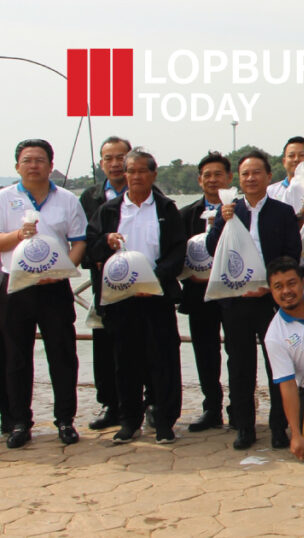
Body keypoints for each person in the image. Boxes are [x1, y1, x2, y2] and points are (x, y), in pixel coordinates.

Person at [87, 149, 186, 444]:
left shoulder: (166, 208)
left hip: (156, 295)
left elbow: (178, 250)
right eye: (131, 171)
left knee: (163, 360)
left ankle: (165, 421)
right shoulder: (109, 210)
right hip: (121, 299)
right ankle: (129, 420)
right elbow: (91, 247)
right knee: (125, 362)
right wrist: (106, 241)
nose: (136, 176)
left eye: (142, 170)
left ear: (153, 174)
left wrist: (156, 276)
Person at [206, 150, 302, 450]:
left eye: (256, 172)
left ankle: (278, 427)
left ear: (268, 177)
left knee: (278, 366)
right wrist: (221, 223)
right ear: (238, 179)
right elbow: (212, 250)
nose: (251, 178)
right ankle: (244, 426)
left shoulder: (282, 212)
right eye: (245, 174)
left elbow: (292, 254)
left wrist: (271, 287)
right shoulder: (229, 210)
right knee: (239, 365)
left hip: (270, 300)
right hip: (236, 300)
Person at [0, 139, 87, 448]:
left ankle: (65, 420)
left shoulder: (67, 199)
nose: (33, 165)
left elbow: (79, 241)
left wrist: (64, 270)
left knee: (62, 355)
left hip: (55, 288)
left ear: (51, 165)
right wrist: (17, 235)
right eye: (27, 160)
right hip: (15, 287)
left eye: (40, 160)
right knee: (15, 357)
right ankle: (19, 422)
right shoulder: (4, 198)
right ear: (17, 166)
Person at [79, 135, 131, 431]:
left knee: (144, 346)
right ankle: (110, 404)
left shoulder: (148, 192)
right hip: (103, 284)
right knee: (104, 347)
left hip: (140, 282)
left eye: (120, 157)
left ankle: (148, 403)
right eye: (108, 158)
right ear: (100, 163)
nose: (115, 163)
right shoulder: (90, 197)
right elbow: (83, 239)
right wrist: (96, 257)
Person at [178, 151, 232, 432]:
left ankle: (239, 407)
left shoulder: (239, 210)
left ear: (229, 178)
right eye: (207, 175)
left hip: (233, 294)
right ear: (200, 180)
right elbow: (175, 253)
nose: (213, 180)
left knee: (237, 351)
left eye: (218, 174)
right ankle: (211, 408)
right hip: (199, 294)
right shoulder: (185, 214)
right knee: (205, 352)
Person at [264, 256, 304, 460]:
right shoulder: (275, 336)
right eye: (278, 286)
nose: (286, 291)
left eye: (292, 283)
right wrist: (296, 434)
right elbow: (288, 385)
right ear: (271, 291)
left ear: (303, 282)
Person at [267, 136, 304, 202]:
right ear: (284, 162)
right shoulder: (270, 192)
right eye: (291, 156)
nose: (296, 159)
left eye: (302, 155)